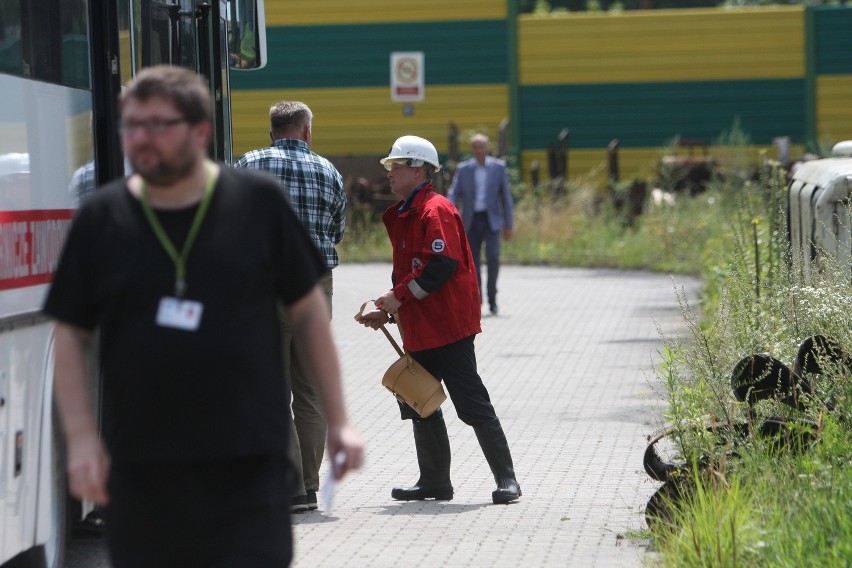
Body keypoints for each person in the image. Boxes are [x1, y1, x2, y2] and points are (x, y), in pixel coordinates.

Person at [45, 65, 364, 568]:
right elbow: (69, 333)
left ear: (198, 132)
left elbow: (308, 314)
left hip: (247, 465)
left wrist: (342, 421)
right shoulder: (101, 218)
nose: (141, 139)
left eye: (158, 125)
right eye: (131, 126)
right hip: (142, 466)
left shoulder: (257, 202)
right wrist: (82, 438)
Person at [356, 135, 521, 505]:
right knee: (420, 402)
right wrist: (390, 310)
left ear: (417, 171)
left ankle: (507, 479)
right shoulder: (406, 213)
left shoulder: (436, 210)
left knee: (472, 403)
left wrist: (396, 298)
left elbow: (441, 265)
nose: (389, 174)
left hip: (447, 329)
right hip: (419, 328)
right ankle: (434, 481)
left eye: (394, 167)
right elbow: (411, 274)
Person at [235, 101, 347, 513]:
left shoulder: (248, 163)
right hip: (315, 288)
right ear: (306, 131)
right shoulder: (328, 170)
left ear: (272, 131)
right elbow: (336, 229)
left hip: (263, 288)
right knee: (311, 390)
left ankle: (289, 488)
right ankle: (309, 486)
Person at [447, 133, 514, 315]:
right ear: (472, 149)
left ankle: (492, 298)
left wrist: (509, 224)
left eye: (481, 146)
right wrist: (447, 207)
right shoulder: (464, 169)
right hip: (471, 220)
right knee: (472, 263)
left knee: (493, 256)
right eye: (475, 147)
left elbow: (506, 198)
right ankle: (477, 299)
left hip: (491, 220)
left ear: (487, 147)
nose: (479, 150)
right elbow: (454, 192)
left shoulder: (498, 168)